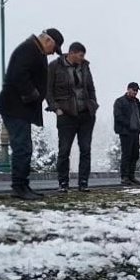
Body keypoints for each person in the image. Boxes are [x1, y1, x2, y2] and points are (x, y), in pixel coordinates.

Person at [0, 28, 64, 200]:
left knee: (24, 147)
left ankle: (23, 185)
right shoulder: (28, 49)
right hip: (15, 107)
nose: (52, 53)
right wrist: (32, 94)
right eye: (54, 48)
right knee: (22, 147)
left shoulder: (35, 50)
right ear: (48, 41)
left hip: (20, 108)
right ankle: (19, 187)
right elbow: (18, 74)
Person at [46, 42, 99, 192]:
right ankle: (63, 183)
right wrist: (56, 109)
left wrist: (93, 105)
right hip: (66, 115)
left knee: (85, 149)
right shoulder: (54, 67)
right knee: (64, 150)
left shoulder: (85, 67)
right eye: (81, 55)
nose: (83, 58)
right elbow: (48, 90)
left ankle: (83, 183)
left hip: (86, 115)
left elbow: (91, 88)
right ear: (72, 53)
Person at [113, 82, 140, 185]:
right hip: (126, 132)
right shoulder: (120, 101)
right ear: (128, 89)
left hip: (136, 132)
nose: (135, 92)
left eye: (136, 90)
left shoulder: (137, 101)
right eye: (134, 90)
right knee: (126, 154)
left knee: (135, 155)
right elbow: (118, 116)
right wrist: (130, 124)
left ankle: (131, 176)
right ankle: (124, 177)